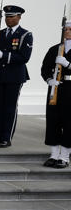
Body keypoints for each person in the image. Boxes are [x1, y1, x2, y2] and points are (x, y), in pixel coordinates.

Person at [0, 5, 33, 148]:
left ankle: (6, 138)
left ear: (19, 17)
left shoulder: (25, 35)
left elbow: (24, 57)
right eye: (7, 17)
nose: (8, 19)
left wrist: (4, 55)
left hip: (14, 76)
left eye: (12, 17)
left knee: (10, 108)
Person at [41, 20, 71, 168]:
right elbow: (45, 68)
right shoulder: (55, 49)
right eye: (65, 29)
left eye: (70, 29)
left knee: (68, 122)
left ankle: (64, 157)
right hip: (55, 89)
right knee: (53, 121)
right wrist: (49, 80)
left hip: (70, 89)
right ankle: (53, 155)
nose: (67, 31)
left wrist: (68, 64)